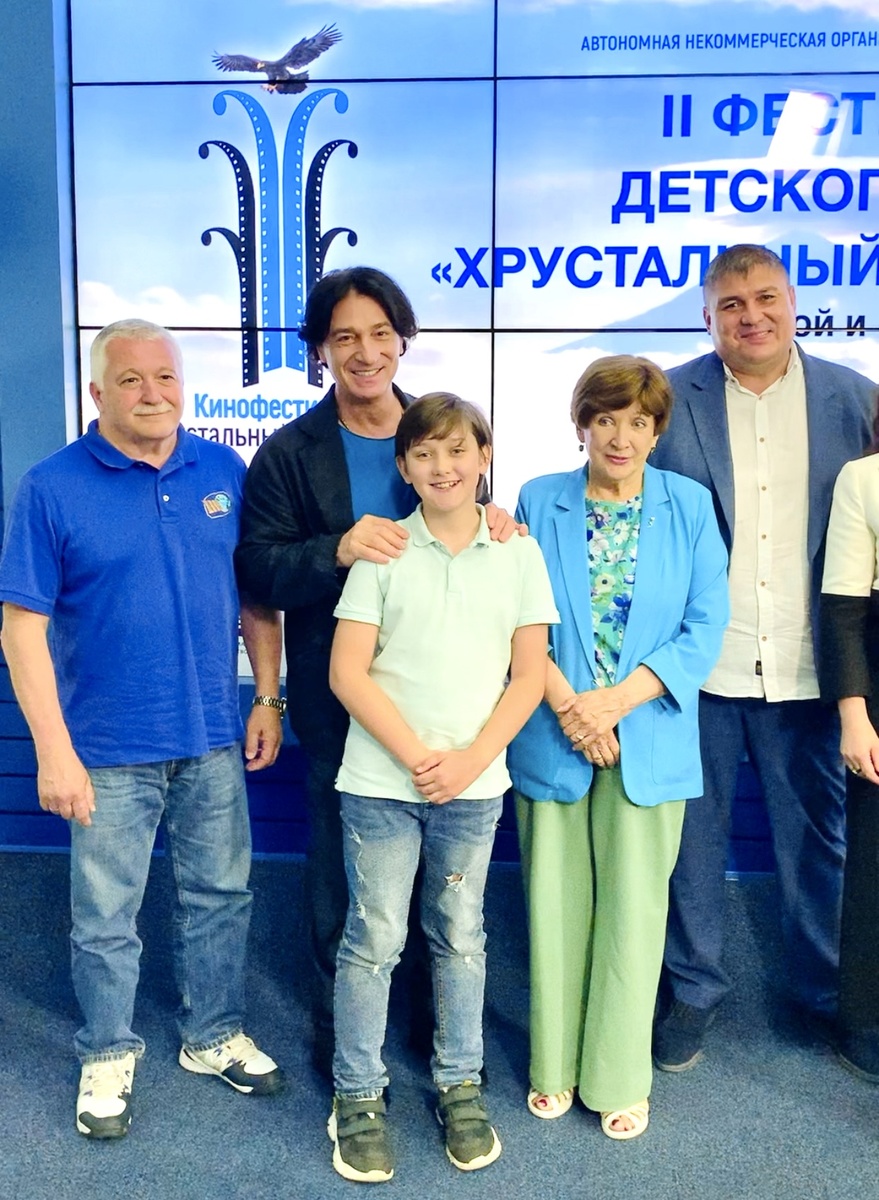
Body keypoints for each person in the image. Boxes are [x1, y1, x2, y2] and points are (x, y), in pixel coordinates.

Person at [0, 319, 285, 1139]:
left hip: (212, 736)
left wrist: (268, 698)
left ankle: (212, 1034)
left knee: (220, 896)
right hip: (105, 749)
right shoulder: (51, 487)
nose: (153, 393)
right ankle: (106, 1050)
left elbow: (255, 599)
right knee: (105, 916)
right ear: (98, 392)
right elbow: (21, 629)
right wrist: (53, 751)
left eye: (165, 377)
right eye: (131, 379)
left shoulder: (222, 470)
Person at [234, 267, 518, 1072]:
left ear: (402, 339)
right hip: (341, 705)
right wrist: (337, 549)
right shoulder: (288, 453)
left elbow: (470, 530)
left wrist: (497, 520)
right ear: (320, 350)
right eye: (344, 337)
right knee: (344, 877)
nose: (365, 352)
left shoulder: (439, 431)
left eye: (380, 334)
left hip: (447, 704)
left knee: (439, 887)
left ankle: (432, 1031)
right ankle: (345, 1040)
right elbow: (256, 569)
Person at [651, 244, 875, 1072]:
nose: (751, 316)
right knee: (689, 845)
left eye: (765, 298)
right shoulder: (665, 398)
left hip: (814, 673)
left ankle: (828, 995)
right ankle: (692, 992)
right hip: (697, 670)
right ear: (707, 317)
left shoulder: (854, 399)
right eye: (731, 304)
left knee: (819, 844)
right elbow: (610, 493)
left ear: (792, 301)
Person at [325, 393, 558, 1182]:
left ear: (484, 457)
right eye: (423, 453)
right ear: (403, 466)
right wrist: (419, 757)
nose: (442, 466)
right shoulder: (384, 551)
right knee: (374, 939)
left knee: (460, 936)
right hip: (379, 785)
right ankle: (357, 1094)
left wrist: (468, 760)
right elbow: (346, 672)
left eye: (457, 450)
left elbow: (528, 677)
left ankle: (459, 1084)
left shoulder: (517, 553)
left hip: (474, 787)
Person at [509, 355, 728, 1140]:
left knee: (635, 916)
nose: (620, 436)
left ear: (656, 430)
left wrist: (613, 704)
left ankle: (618, 1078)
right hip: (553, 731)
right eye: (604, 419)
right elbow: (518, 616)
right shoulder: (538, 499)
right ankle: (554, 1068)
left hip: (648, 736)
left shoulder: (688, 505)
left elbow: (704, 624)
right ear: (581, 425)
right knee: (553, 909)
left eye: (638, 421)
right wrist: (574, 710)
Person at [819, 422, 879, 1081]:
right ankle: (863, 1020)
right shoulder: (863, 479)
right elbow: (842, 610)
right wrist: (854, 715)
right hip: (876, 694)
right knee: (872, 862)